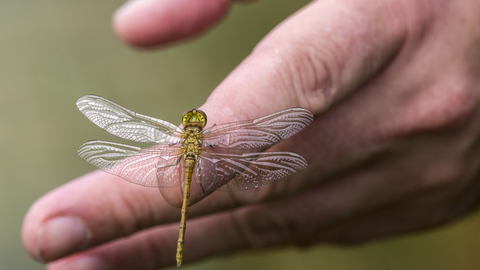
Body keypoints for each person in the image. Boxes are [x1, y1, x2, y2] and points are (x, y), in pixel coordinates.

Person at [22, 0, 480, 269]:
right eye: (193, 125)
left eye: (194, 124)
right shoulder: (215, 144)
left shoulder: (187, 141)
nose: (194, 126)